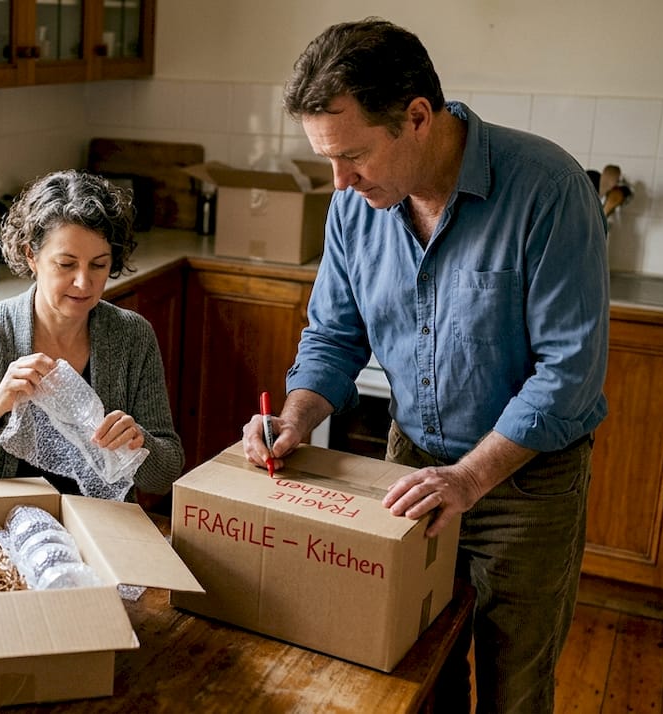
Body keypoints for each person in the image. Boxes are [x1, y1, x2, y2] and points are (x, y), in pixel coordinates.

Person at [241, 18, 609, 713]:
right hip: (406, 469)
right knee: (415, 672)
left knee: (514, 689)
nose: (339, 181)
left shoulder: (548, 190)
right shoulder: (356, 208)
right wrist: (293, 417)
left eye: (352, 156)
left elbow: (568, 374)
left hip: (523, 486)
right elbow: (333, 335)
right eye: (327, 160)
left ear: (417, 117)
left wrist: (469, 480)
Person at [0, 169, 183, 499]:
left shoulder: (132, 336)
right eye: (66, 264)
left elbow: (165, 475)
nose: (84, 282)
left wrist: (139, 443)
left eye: (98, 265)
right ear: (30, 255)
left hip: (102, 531)